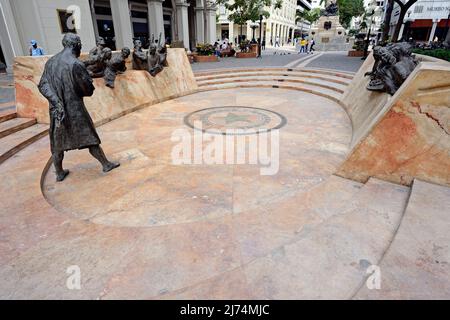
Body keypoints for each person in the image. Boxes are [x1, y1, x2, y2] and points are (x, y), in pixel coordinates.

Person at [38, 33, 119, 182]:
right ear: (76, 45)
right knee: (90, 137)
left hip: (57, 111)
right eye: (80, 44)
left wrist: (56, 103)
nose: (81, 47)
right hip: (74, 110)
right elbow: (87, 90)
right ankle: (105, 164)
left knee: (58, 142)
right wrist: (89, 83)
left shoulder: (50, 62)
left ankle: (59, 172)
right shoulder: (76, 64)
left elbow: (43, 85)